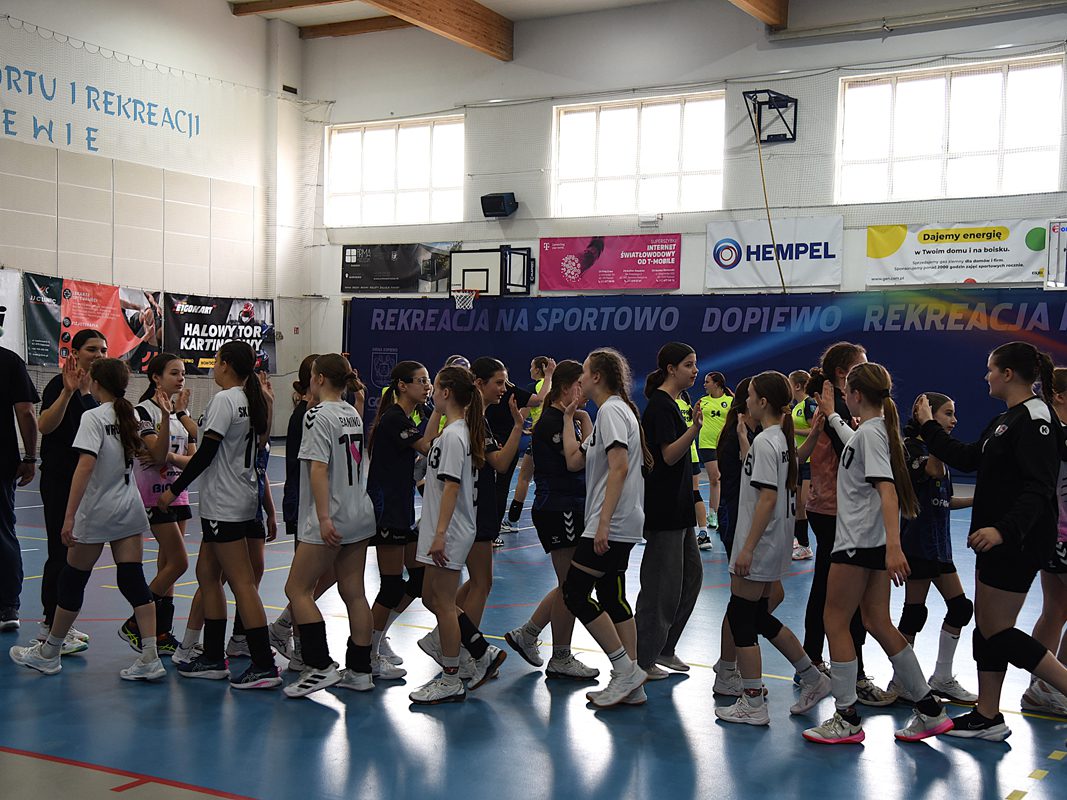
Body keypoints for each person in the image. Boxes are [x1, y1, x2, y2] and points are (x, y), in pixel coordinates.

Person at [916, 342, 1067, 740]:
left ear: (1008, 374)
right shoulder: (1006, 419)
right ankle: (987, 715)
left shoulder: (1036, 418)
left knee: (997, 630)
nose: (986, 376)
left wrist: (1003, 530)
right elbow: (968, 458)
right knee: (986, 628)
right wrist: (929, 427)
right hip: (994, 541)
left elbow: (1039, 488)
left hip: (1018, 540)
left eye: (990, 369)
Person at [803, 363, 952, 745]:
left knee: (835, 621)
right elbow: (851, 440)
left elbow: (887, 491)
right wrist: (832, 416)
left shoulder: (871, 435)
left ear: (856, 395)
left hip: (857, 544)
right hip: (870, 544)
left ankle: (846, 717)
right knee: (877, 621)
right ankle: (930, 709)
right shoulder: (872, 431)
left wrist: (895, 547)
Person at [9, 359, 165, 681]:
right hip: (128, 508)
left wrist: (69, 517)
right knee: (133, 580)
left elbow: (85, 466)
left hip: (98, 510)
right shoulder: (131, 414)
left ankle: (50, 652)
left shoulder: (93, 417)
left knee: (73, 579)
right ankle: (150, 656)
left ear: (95, 382)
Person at [159, 341, 281, 690]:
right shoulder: (252, 400)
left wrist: (173, 490)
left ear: (226, 364)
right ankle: (212, 656)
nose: (214, 367)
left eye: (216, 361)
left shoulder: (226, 400)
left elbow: (205, 454)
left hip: (225, 503)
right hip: (241, 499)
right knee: (207, 575)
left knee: (241, 582)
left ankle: (263, 663)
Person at [715, 371, 832, 725]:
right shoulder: (777, 439)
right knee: (757, 617)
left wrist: (747, 548)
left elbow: (766, 497)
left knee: (742, 617)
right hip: (775, 540)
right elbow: (781, 471)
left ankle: (753, 702)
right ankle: (812, 677)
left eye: (750, 394)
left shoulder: (768, 441)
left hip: (760, 541)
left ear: (762, 401)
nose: (746, 400)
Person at [418, 358, 528, 673]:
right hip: (465, 515)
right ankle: (467, 647)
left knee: (455, 592)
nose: (504, 389)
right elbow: (434, 454)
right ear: (477, 384)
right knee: (450, 592)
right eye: (499, 382)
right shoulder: (463, 427)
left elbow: (493, 466)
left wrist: (517, 428)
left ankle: (463, 650)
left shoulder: (466, 428)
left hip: (463, 516)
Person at [800, 342, 894, 706]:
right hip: (835, 509)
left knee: (831, 589)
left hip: (840, 509)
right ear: (843, 373)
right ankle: (849, 676)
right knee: (842, 598)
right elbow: (853, 452)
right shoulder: (835, 405)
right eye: (860, 365)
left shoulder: (842, 405)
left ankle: (814, 662)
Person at [559, 348, 651, 709]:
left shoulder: (612, 411)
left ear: (596, 376)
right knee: (611, 597)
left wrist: (602, 523)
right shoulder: (608, 414)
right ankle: (633, 683)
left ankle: (624, 670)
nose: (580, 379)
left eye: (584, 372)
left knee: (575, 593)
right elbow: (573, 461)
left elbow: (619, 467)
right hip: (619, 520)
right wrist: (570, 417)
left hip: (612, 520)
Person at [408, 366, 507, 705]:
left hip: (448, 531)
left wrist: (439, 535)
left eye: (435, 386)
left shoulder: (455, 435)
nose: (431, 392)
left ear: (446, 392)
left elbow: (451, 487)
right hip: (441, 528)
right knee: (430, 597)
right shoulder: (453, 431)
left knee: (443, 604)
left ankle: (452, 676)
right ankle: (480, 650)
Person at [283, 354, 379, 697]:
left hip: (331, 516)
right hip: (359, 512)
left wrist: (323, 518)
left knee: (297, 590)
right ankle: (360, 670)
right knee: (354, 592)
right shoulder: (351, 411)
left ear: (319, 378)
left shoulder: (316, 416)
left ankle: (319, 664)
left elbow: (318, 469)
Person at [504, 360, 599, 680]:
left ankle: (528, 634)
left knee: (569, 585)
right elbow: (580, 460)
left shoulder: (566, 418)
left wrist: (582, 418)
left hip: (570, 506)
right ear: (567, 387)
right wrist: (583, 420)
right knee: (572, 587)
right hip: (559, 508)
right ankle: (559, 656)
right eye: (581, 385)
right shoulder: (552, 421)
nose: (585, 391)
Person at [888, 392, 977, 705]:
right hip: (917, 543)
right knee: (915, 612)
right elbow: (933, 471)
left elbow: (944, 500)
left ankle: (941, 678)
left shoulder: (935, 450)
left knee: (960, 608)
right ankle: (900, 681)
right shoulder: (913, 449)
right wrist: (931, 430)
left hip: (939, 545)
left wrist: (979, 500)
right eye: (947, 413)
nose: (954, 420)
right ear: (927, 414)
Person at [118, 353, 199, 657]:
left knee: (168, 566)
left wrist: (171, 455)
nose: (181, 378)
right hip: (154, 496)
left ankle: (162, 632)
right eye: (174, 373)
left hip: (178, 493)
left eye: (183, 373)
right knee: (180, 562)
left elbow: (194, 459)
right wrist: (168, 453)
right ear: (156, 377)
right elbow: (156, 452)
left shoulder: (180, 415)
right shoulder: (142, 412)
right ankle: (135, 622)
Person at [366, 360, 441, 679]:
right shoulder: (394, 418)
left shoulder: (412, 416)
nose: (427, 386)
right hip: (387, 509)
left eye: (429, 380)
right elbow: (427, 446)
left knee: (419, 580)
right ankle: (366, 654)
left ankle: (379, 636)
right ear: (402, 385)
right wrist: (440, 410)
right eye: (421, 381)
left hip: (403, 509)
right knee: (391, 585)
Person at [635, 343, 704, 680]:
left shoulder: (676, 404)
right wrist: (695, 429)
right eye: (688, 365)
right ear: (671, 369)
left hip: (680, 508)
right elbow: (668, 456)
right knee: (660, 587)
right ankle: (642, 659)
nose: (695, 371)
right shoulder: (660, 406)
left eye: (695, 364)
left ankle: (665, 647)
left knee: (691, 578)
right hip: (664, 509)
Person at [36, 329, 108, 653]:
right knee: (59, 552)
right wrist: (67, 393)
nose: (99, 354)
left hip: (86, 486)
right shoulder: (58, 384)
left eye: (103, 349)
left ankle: (61, 623)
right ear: (75, 353)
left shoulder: (98, 391)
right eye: (92, 349)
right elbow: (45, 425)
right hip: (59, 480)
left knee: (74, 555)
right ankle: (50, 624)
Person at [268, 353, 320, 662]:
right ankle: (302, 652)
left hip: (319, 506)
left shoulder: (321, 413)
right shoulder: (305, 416)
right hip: (304, 504)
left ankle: (283, 625)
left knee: (322, 576)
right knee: (304, 582)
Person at [1024, 366, 1067, 716]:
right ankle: (1053, 685)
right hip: (1061, 534)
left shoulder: (1047, 431)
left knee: (1055, 609)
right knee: (1055, 609)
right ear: (1060, 397)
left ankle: (1042, 687)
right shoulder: (1057, 434)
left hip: (1052, 534)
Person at [0, 344, 38, 632]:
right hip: (2, 459)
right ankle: (7, 606)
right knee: (3, 531)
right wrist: (30, 457)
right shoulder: (9, 360)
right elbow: (25, 412)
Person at [505, 357, 555, 529]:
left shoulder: (534, 389)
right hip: (556, 436)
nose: (530, 370)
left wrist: (518, 423)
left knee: (524, 478)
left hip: (539, 437)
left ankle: (512, 521)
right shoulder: (554, 386)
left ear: (538, 369)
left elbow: (522, 415)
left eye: (531, 367)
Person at [697, 372, 732, 549]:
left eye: (707, 382)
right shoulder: (702, 402)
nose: (704, 384)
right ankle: (713, 514)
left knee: (723, 478)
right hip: (707, 443)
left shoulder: (730, 401)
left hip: (724, 444)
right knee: (715, 478)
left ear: (717, 384)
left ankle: (721, 511)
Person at [789, 369, 815, 561]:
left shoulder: (809, 404)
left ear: (797, 386)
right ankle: (802, 543)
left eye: (790, 384)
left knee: (805, 504)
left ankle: (807, 546)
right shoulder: (795, 407)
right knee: (798, 505)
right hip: (799, 460)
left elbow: (815, 430)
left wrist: (792, 429)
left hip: (810, 461)